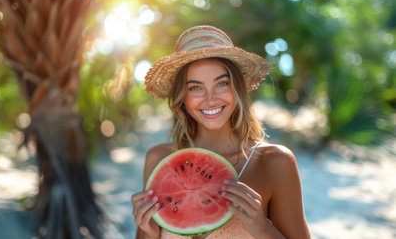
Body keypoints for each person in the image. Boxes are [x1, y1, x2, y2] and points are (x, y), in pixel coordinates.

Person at [131, 25, 311, 239]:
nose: (210, 99)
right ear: (182, 97)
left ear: (237, 89)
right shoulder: (159, 159)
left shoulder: (275, 162)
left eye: (221, 84)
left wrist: (261, 228)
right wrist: (149, 233)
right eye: (195, 87)